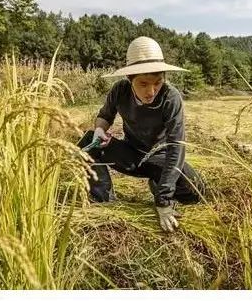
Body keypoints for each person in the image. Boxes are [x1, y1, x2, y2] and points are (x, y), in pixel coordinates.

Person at [77, 36, 206, 233]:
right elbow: (104, 116)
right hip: (132, 155)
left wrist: (163, 199)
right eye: (143, 83)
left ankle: (158, 184)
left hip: (162, 160)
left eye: (157, 82)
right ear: (130, 80)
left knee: (196, 190)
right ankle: (103, 198)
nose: (151, 91)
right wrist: (100, 130)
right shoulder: (120, 91)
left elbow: (176, 148)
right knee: (87, 141)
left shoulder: (171, 98)